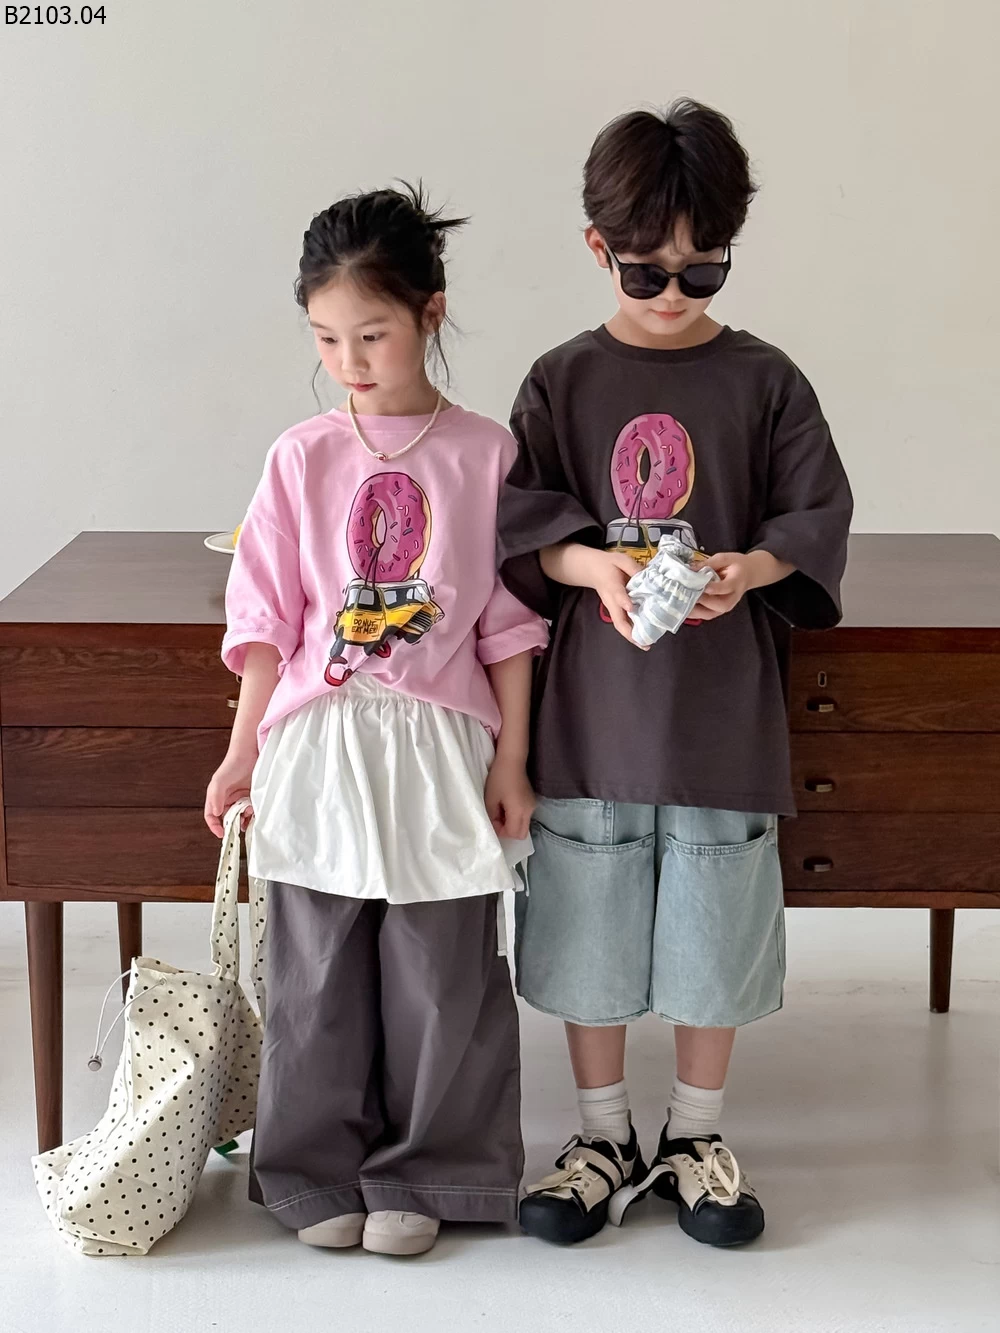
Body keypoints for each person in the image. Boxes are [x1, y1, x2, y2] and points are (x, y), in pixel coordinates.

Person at [498, 99, 853, 1247]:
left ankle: (695, 1136)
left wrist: (750, 568)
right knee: (586, 922)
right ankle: (601, 1135)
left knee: (715, 923)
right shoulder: (560, 379)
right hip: (592, 716)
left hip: (719, 717)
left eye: (703, 271)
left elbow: (814, 513)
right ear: (597, 248)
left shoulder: (765, 379)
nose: (671, 294)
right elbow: (517, 524)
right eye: (646, 270)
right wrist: (587, 562)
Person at [205, 185, 548, 1257]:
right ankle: (312, 1173)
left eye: (371, 333)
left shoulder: (486, 453)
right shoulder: (300, 455)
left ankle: (432, 1172)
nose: (347, 359)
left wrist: (514, 760)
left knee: (444, 973)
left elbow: (509, 624)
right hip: (321, 742)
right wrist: (241, 752)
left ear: (429, 314)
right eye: (325, 337)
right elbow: (268, 619)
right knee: (313, 971)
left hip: (442, 744)